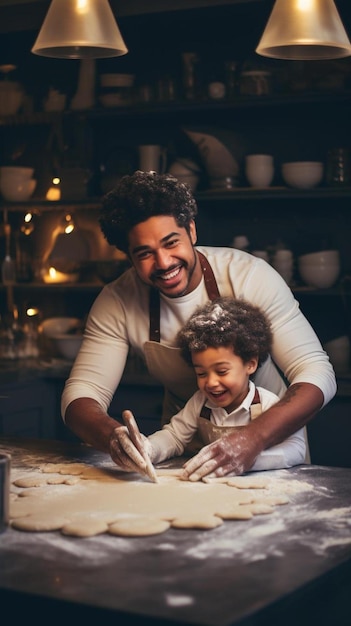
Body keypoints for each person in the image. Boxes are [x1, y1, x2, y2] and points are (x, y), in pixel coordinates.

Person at [61, 170, 336, 480]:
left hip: (269, 447)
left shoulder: (249, 276)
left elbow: (316, 372)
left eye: (171, 243)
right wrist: (113, 436)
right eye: (145, 254)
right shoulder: (117, 300)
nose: (163, 263)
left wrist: (254, 438)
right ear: (129, 256)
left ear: (191, 230)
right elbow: (80, 395)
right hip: (182, 456)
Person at [112, 297, 306, 479]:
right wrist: (149, 449)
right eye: (201, 373)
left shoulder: (269, 404)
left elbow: (296, 449)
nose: (211, 382)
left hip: (261, 489)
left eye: (222, 371)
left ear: (250, 364)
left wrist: (248, 460)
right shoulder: (200, 402)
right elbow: (174, 436)